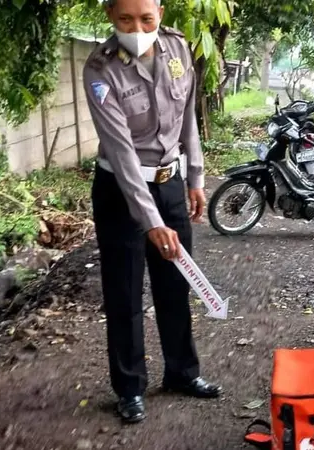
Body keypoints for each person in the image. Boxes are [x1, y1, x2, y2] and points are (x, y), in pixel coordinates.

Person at [82, 0, 221, 424]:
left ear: (160, 10)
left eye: (146, 18)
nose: (137, 27)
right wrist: (153, 223)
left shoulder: (178, 48)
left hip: (171, 183)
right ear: (110, 15)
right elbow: (122, 154)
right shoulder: (99, 69)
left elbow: (187, 119)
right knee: (124, 292)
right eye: (125, 19)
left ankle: (182, 372)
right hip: (121, 192)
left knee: (175, 282)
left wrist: (195, 177)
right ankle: (129, 387)